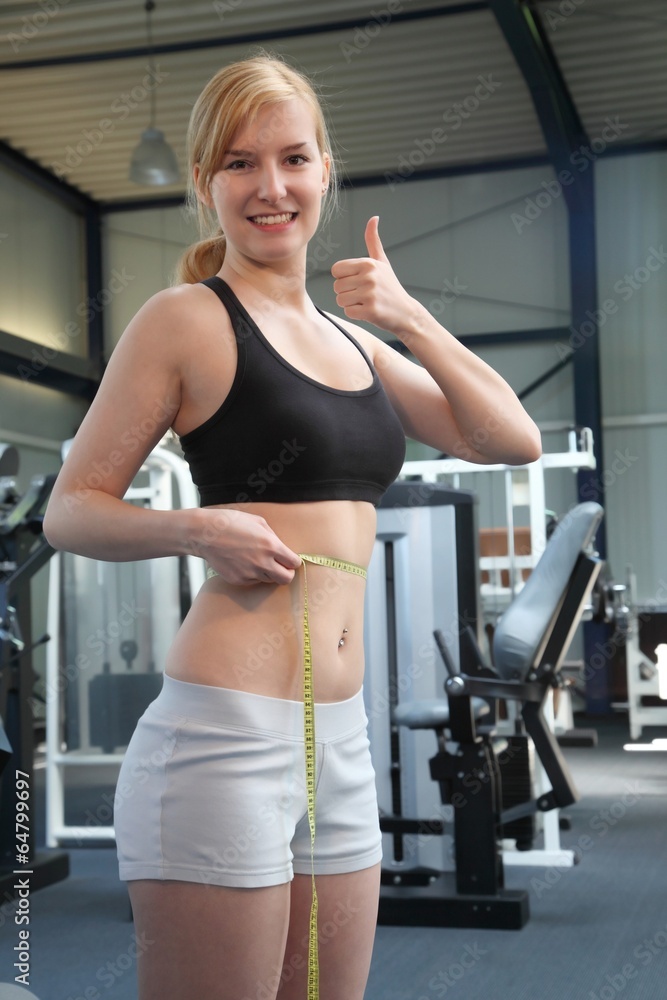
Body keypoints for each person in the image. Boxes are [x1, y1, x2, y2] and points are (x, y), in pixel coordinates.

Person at [43, 53, 541, 1000]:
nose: (270, 187)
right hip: (224, 738)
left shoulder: (355, 340)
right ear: (204, 185)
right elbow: (73, 510)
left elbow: (507, 438)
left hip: (340, 739)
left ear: (324, 171)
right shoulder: (185, 319)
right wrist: (199, 531)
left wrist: (408, 318)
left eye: (292, 158)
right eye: (238, 163)